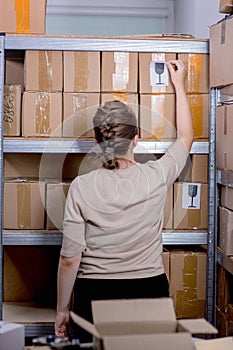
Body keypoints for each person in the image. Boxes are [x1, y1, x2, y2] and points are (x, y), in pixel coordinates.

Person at [55, 60, 194, 342]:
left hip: (94, 297)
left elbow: (70, 260)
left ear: (97, 143)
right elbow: (186, 137)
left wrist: (62, 310)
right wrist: (179, 85)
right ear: (137, 139)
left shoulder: (81, 186)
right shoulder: (157, 174)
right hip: (148, 292)